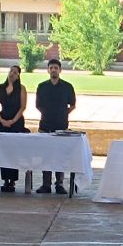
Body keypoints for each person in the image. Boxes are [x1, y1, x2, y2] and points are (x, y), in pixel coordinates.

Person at [34, 58, 76, 194]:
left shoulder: (67, 87)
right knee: (45, 155)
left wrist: (63, 113)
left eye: (56, 68)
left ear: (60, 70)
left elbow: (73, 104)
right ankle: (46, 184)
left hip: (61, 126)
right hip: (45, 125)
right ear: (48, 70)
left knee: (60, 156)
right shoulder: (42, 86)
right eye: (51, 68)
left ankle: (59, 184)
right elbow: (38, 105)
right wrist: (48, 113)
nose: (53, 70)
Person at [0, 65, 28, 192]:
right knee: (3, 150)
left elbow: (22, 107)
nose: (12, 74)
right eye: (11, 71)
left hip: (16, 121)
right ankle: (5, 179)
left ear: (18, 75)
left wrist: (13, 120)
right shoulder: (0, 88)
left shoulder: (21, 89)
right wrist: (1, 120)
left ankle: (12, 180)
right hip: (2, 120)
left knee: (13, 151)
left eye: (15, 72)